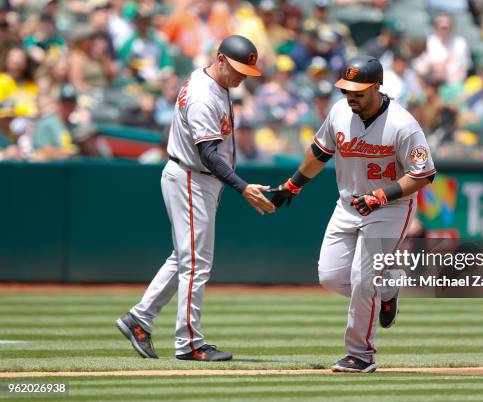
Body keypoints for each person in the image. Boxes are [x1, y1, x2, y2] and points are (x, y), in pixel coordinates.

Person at [270, 56, 436, 372]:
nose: (351, 96)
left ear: (377, 87)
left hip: (390, 208)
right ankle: (388, 287)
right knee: (331, 276)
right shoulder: (339, 112)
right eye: (347, 89)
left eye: (358, 91)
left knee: (362, 279)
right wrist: (293, 185)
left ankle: (360, 354)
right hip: (347, 204)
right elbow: (319, 153)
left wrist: (381, 195)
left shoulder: (403, 125)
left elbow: (424, 174)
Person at [116, 35, 276, 361]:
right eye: (236, 68)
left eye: (246, 70)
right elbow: (210, 156)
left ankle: (140, 318)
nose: (242, 76)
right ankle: (189, 343)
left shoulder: (209, 80)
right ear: (219, 59)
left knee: (183, 258)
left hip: (194, 178)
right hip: (192, 177)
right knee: (196, 265)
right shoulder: (204, 96)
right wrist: (242, 187)